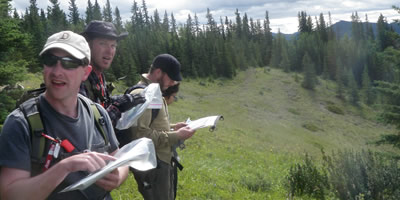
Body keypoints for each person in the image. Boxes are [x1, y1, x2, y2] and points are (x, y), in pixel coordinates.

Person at [0, 30, 129, 200]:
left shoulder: (98, 114)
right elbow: (9, 194)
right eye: (50, 61)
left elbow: (118, 158)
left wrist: (118, 175)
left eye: (69, 63)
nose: (56, 71)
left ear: (85, 72)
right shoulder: (21, 123)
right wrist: (63, 168)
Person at [126, 54, 195, 200]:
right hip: (153, 165)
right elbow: (140, 136)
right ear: (158, 72)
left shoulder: (153, 91)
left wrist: (174, 127)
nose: (172, 84)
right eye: (170, 79)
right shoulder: (143, 95)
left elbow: (151, 124)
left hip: (160, 161)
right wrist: (177, 136)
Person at [80, 20, 145, 126]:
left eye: (113, 46)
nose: (109, 51)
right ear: (88, 46)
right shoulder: (78, 79)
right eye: (103, 44)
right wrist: (118, 107)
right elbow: (90, 129)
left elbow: (103, 103)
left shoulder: (98, 76)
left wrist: (127, 99)